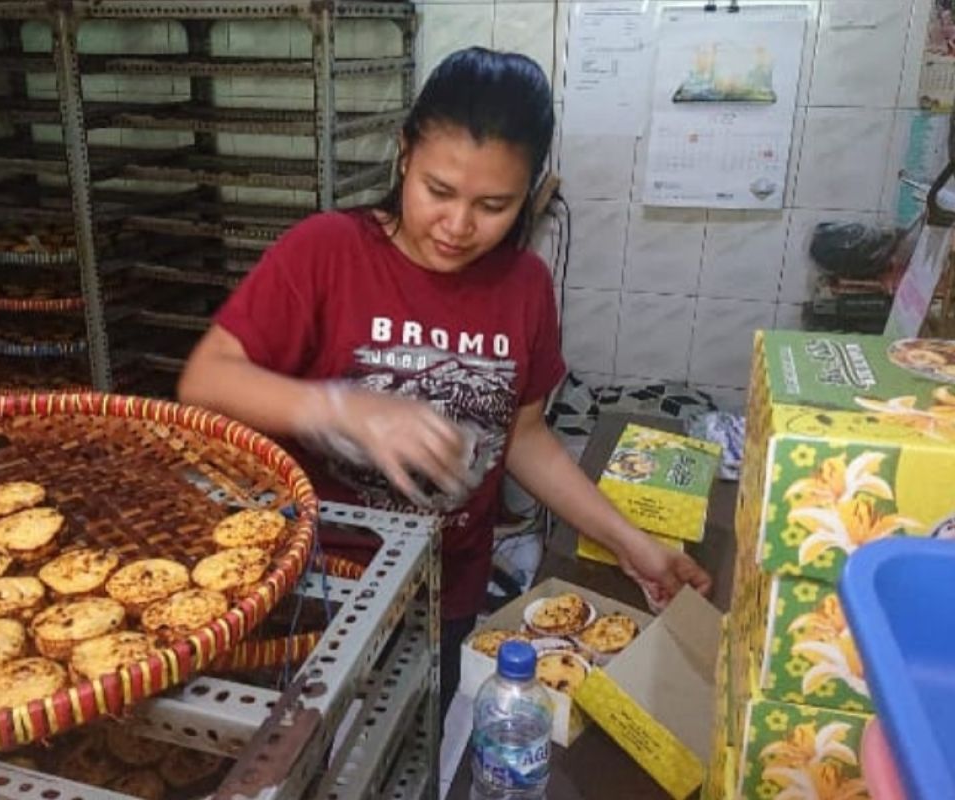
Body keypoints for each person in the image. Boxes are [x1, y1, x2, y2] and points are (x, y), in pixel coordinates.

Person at [179, 47, 712, 716]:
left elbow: (525, 437)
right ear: (404, 153)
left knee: (418, 744)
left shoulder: (524, 286)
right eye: (438, 191)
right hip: (317, 587)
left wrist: (634, 545)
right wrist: (343, 408)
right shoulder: (327, 252)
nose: (459, 227)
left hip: (445, 587)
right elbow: (205, 379)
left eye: (494, 205)